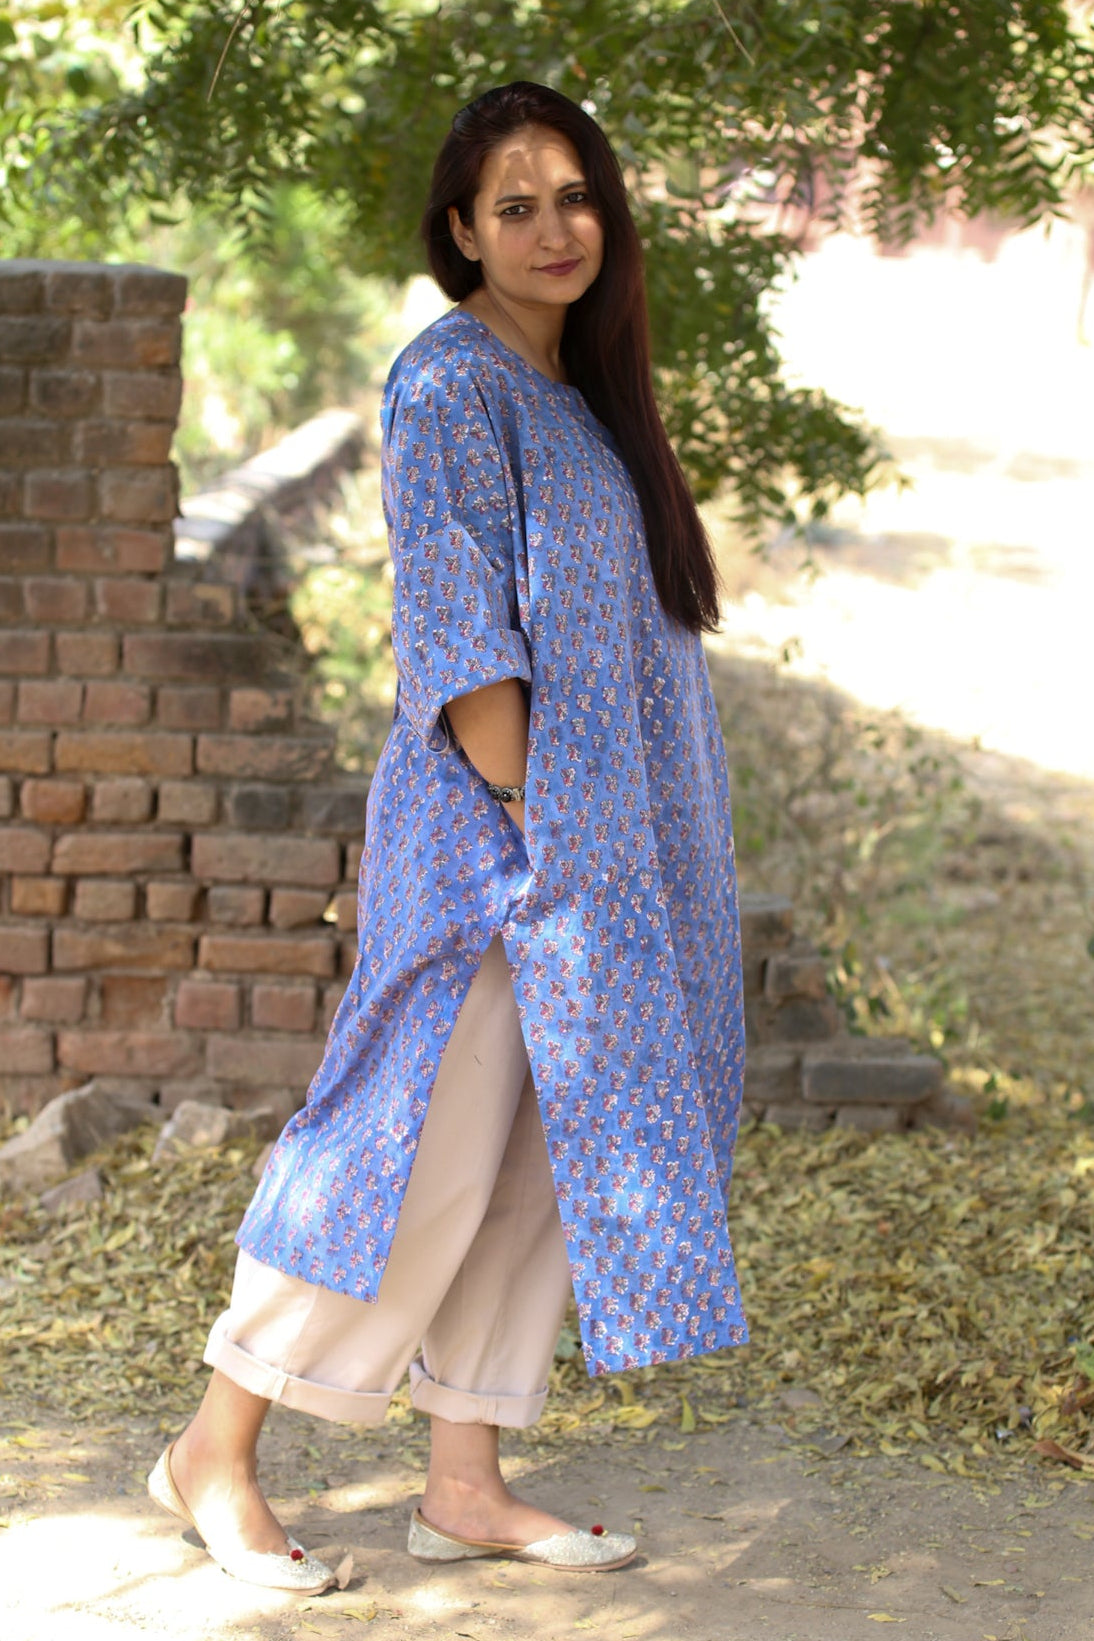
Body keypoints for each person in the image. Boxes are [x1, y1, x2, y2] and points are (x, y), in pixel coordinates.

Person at [147, 79, 748, 1592]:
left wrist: (632, 859)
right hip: (505, 852)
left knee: (544, 1159)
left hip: (606, 850)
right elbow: (467, 652)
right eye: (514, 205)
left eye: (572, 195)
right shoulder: (447, 387)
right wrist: (559, 847)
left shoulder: (585, 399)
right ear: (460, 235)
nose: (553, 227)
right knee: (414, 1150)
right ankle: (213, 1446)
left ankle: (466, 1480)